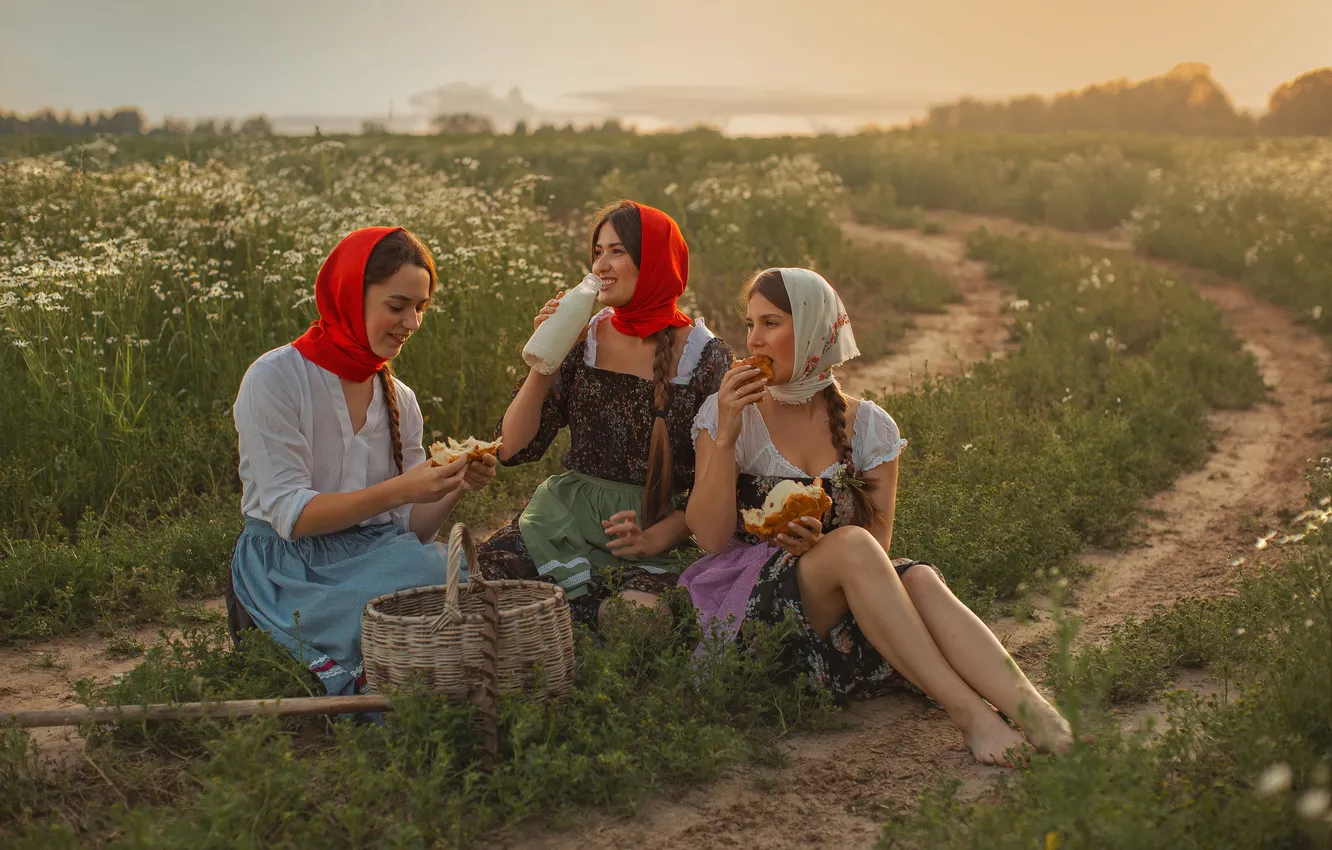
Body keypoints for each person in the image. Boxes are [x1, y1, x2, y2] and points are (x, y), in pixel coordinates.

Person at [681, 267, 1072, 765]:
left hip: (842, 609)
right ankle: (972, 717)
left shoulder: (868, 425)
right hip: (753, 608)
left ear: (814, 333)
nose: (753, 340)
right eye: (751, 324)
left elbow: (877, 549)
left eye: (771, 323)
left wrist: (819, 549)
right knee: (852, 547)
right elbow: (709, 536)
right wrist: (727, 434)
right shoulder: (727, 413)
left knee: (920, 579)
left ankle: (1038, 714)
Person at [228, 226, 496, 695]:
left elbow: (410, 528)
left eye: (421, 307)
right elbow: (293, 517)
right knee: (410, 593)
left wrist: (455, 483)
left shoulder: (399, 398)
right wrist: (401, 489)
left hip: (373, 555)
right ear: (351, 296)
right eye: (397, 306)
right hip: (288, 567)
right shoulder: (276, 377)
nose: (412, 322)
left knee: (446, 577)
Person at [476, 201, 732, 628]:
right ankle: (563, 623)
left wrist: (656, 538)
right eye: (597, 252)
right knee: (480, 584)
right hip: (564, 517)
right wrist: (548, 356)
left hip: (653, 529)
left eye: (617, 251)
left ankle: (559, 622)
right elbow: (511, 448)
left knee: (639, 619)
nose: (601, 265)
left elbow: (719, 479)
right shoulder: (585, 336)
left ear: (655, 262)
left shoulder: (705, 357)